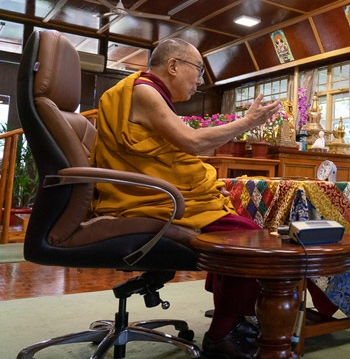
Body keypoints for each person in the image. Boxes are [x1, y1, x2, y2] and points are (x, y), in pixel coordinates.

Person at [90, 38, 281, 358]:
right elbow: (190, 143)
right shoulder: (144, 91)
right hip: (148, 201)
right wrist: (247, 122)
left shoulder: (145, 93)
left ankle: (232, 316)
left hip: (155, 194)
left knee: (242, 227)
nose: (201, 82)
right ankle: (220, 335)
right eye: (198, 72)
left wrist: (198, 184)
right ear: (173, 65)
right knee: (249, 243)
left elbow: (170, 155)